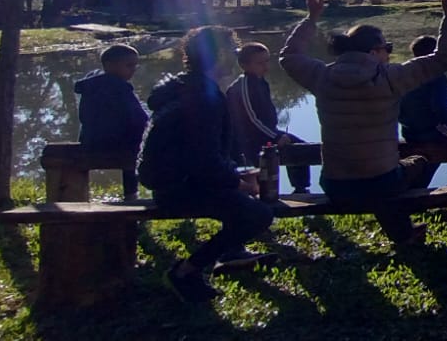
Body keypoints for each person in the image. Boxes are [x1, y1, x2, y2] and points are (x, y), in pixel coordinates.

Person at [280, 0, 447, 247]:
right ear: (373, 52)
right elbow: (442, 59)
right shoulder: (390, 78)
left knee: (385, 176)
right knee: (419, 161)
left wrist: (311, 19)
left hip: (335, 185)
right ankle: (405, 227)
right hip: (382, 183)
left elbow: (288, 56)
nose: (389, 53)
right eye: (386, 48)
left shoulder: (321, 76)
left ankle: (404, 231)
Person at [138, 26, 274, 303]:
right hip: (179, 187)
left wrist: (235, 172)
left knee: (241, 204)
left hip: (172, 180)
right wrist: (239, 182)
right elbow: (203, 160)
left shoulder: (184, 85)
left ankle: (232, 252)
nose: (236, 59)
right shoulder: (202, 98)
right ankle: (185, 272)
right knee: (257, 214)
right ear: (219, 55)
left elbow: (201, 152)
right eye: (232, 52)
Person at [226, 42, 311, 194]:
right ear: (244, 65)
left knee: (301, 148)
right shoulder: (243, 86)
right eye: (260, 63)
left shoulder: (259, 82)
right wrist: (276, 136)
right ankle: (266, 199)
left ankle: (301, 189)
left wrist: (275, 134)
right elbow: (252, 119)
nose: (265, 66)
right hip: (250, 140)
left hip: (266, 133)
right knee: (268, 170)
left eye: (267, 61)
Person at [397, 35, 447, 185]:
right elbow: (441, 109)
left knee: (426, 163)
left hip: (409, 132)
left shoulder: (402, 74)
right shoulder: (436, 76)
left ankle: (419, 186)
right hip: (431, 132)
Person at [76, 43, 147, 200]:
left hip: (90, 143)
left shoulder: (90, 87)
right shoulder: (120, 88)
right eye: (129, 65)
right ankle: (131, 195)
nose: (133, 69)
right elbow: (138, 118)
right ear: (109, 65)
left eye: (135, 65)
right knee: (138, 146)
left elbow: (84, 117)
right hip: (117, 144)